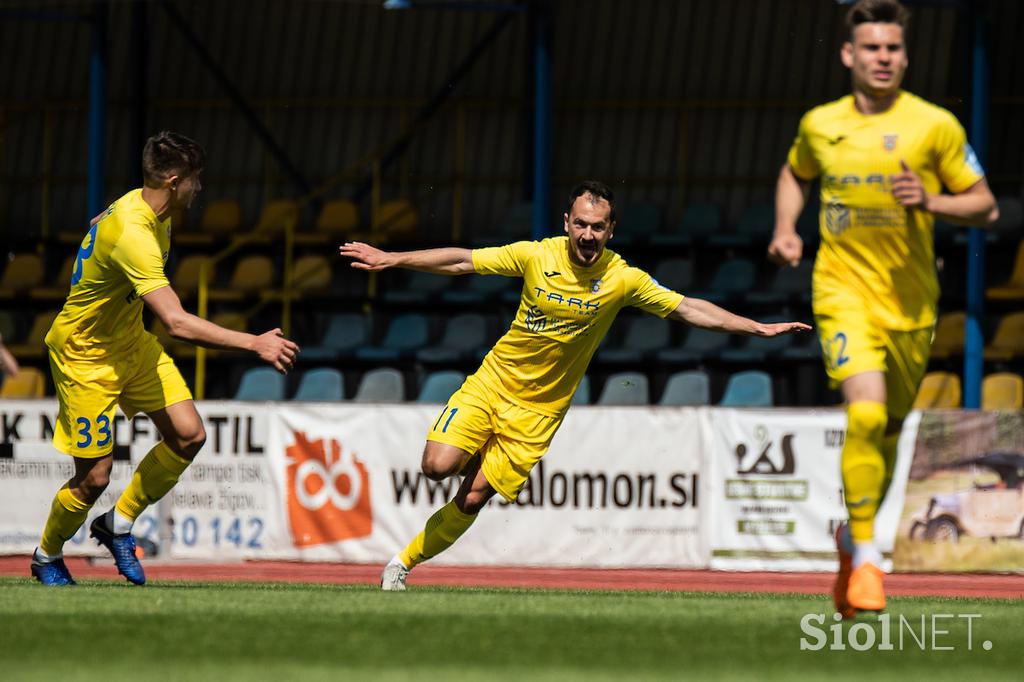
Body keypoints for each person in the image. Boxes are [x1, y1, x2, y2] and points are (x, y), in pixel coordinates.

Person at [341, 180, 811, 590]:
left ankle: (400, 566)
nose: (589, 234)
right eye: (582, 223)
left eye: (599, 227)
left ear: (611, 231)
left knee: (473, 497)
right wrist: (392, 258)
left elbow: (688, 307)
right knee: (436, 467)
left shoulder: (621, 278)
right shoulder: (534, 255)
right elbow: (463, 261)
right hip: (492, 385)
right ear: (567, 221)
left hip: (539, 413)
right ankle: (475, 453)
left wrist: (756, 328)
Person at [767, 0, 998, 618]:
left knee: (890, 431)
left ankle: (851, 535)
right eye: (871, 48)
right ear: (849, 54)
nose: (883, 58)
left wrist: (932, 200)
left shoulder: (934, 126)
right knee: (865, 416)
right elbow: (795, 173)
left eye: (892, 48)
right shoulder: (822, 123)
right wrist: (787, 228)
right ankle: (869, 559)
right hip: (842, 293)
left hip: (912, 304)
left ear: (905, 55)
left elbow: (986, 206)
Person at [32, 131, 299, 586]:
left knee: (189, 436)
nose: (200, 189)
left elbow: (106, 225)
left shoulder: (151, 209)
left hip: (130, 342)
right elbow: (176, 323)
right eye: (196, 181)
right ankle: (46, 556)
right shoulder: (135, 231)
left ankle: (117, 524)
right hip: (85, 355)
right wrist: (254, 343)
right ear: (175, 181)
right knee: (94, 477)